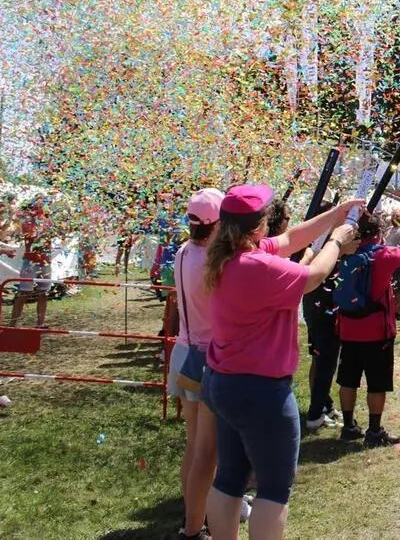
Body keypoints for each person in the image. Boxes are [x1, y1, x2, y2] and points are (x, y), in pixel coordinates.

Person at [202, 185, 361, 540]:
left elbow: (290, 239)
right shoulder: (257, 265)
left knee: (229, 477)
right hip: (260, 390)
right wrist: (337, 241)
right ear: (259, 226)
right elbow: (314, 276)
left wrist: (336, 214)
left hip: (223, 381)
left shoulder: (227, 255)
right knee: (274, 488)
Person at [335, 213, 400, 446]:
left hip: (348, 327)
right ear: (379, 232)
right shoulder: (384, 255)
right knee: (377, 383)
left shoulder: (344, 253)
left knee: (348, 380)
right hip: (377, 331)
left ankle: (348, 427)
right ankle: (374, 431)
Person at [168, 189, 225, 540]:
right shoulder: (214, 262)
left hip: (184, 351)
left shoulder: (183, 251)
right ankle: (197, 523)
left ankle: (192, 515)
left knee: (194, 444)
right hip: (205, 357)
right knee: (207, 451)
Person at [300, 200, 343, 431]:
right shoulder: (322, 241)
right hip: (321, 304)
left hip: (318, 302)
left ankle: (324, 404)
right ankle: (316, 413)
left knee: (320, 356)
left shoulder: (320, 238)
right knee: (324, 358)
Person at [10, 195, 53, 329]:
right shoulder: (28, 220)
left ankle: (40, 323)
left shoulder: (49, 220)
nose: (41, 204)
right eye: (39, 202)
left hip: (45, 261)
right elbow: (31, 237)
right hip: (30, 260)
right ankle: (12, 324)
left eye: (44, 202)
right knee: (24, 293)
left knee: (43, 293)